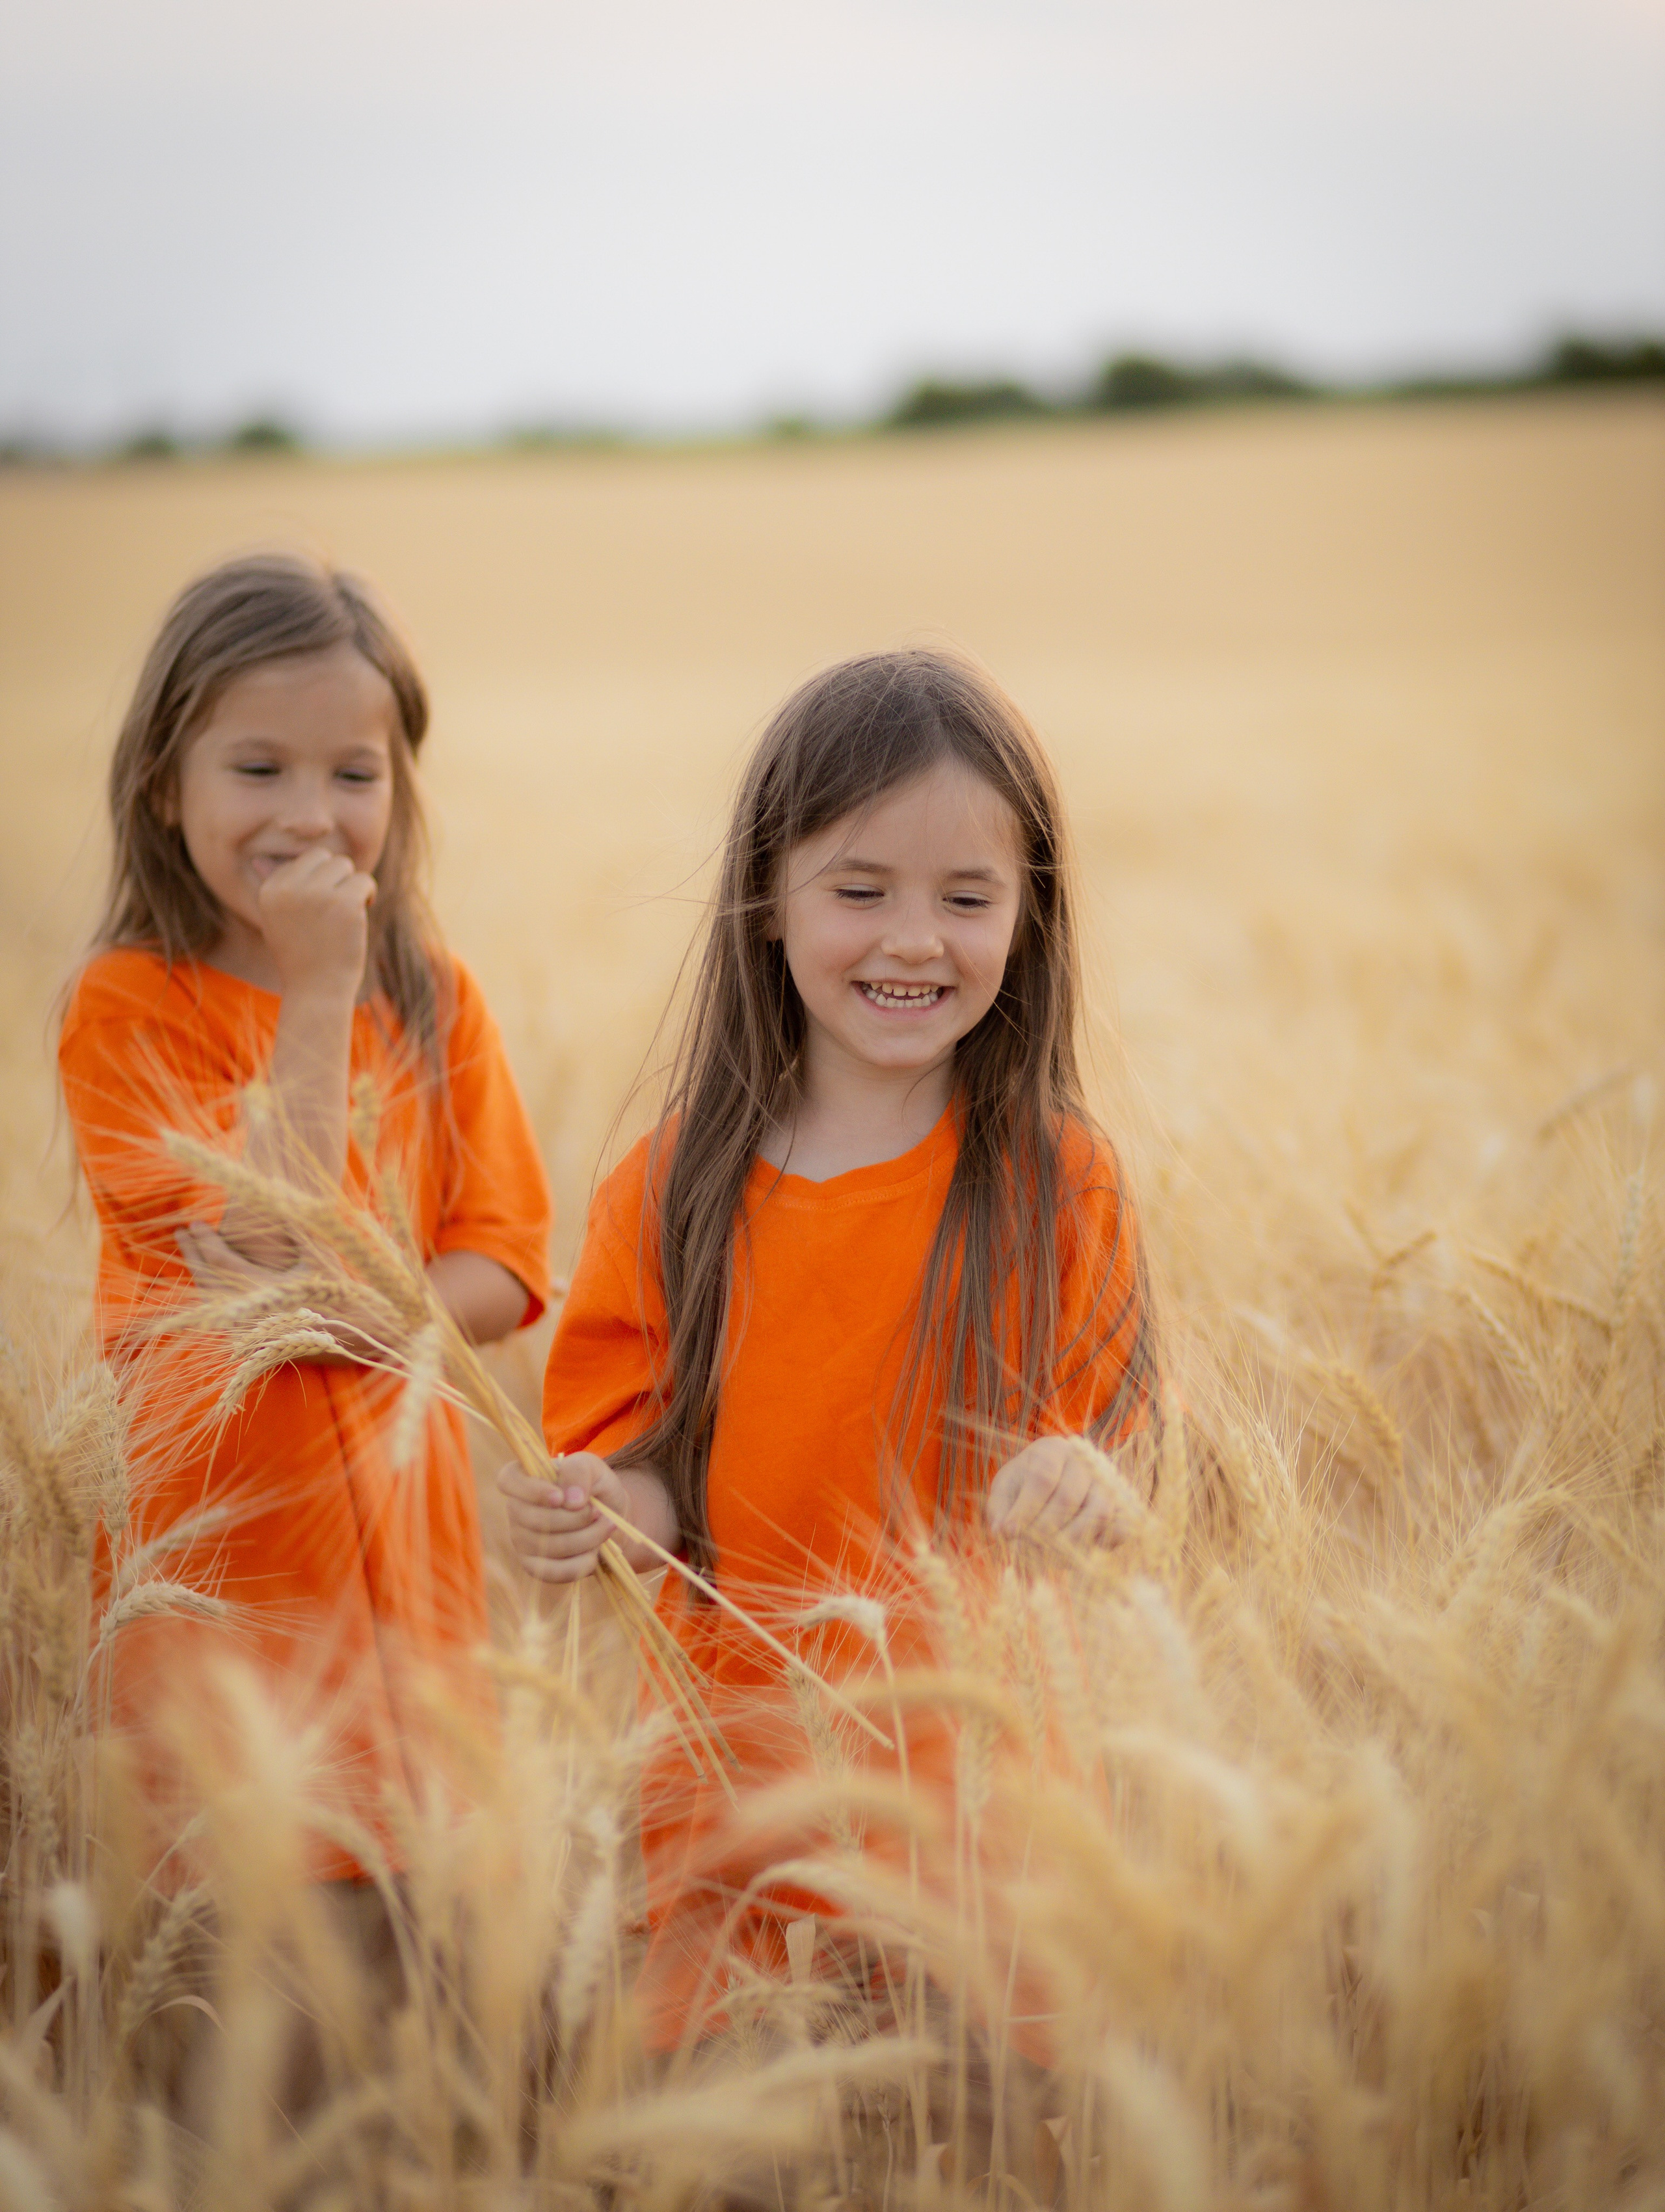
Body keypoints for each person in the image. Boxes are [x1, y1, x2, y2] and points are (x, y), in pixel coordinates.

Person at [501, 647, 1156, 2049]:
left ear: (1028, 924)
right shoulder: (671, 1187)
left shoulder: (1060, 1185)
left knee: (969, 2137)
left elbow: (1119, 1466)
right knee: (736, 2148)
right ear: (766, 906)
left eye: (967, 899)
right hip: (735, 1788)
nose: (912, 940)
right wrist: (603, 1512)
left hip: (982, 1799)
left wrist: (1080, 1483)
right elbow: (651, 1472)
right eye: (858, 892)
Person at [59, 552, 552, 1887]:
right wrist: (318, 989)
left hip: (405, 1586)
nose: (313, 813)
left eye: (355, 772)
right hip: (214, 1581)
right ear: (166, 787)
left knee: (405, 1945)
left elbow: (501, 1263)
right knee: (237, 1970)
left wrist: (374, 1316)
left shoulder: (437, 1001)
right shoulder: (130, 1010)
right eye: (258, 768)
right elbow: (268, 1238)